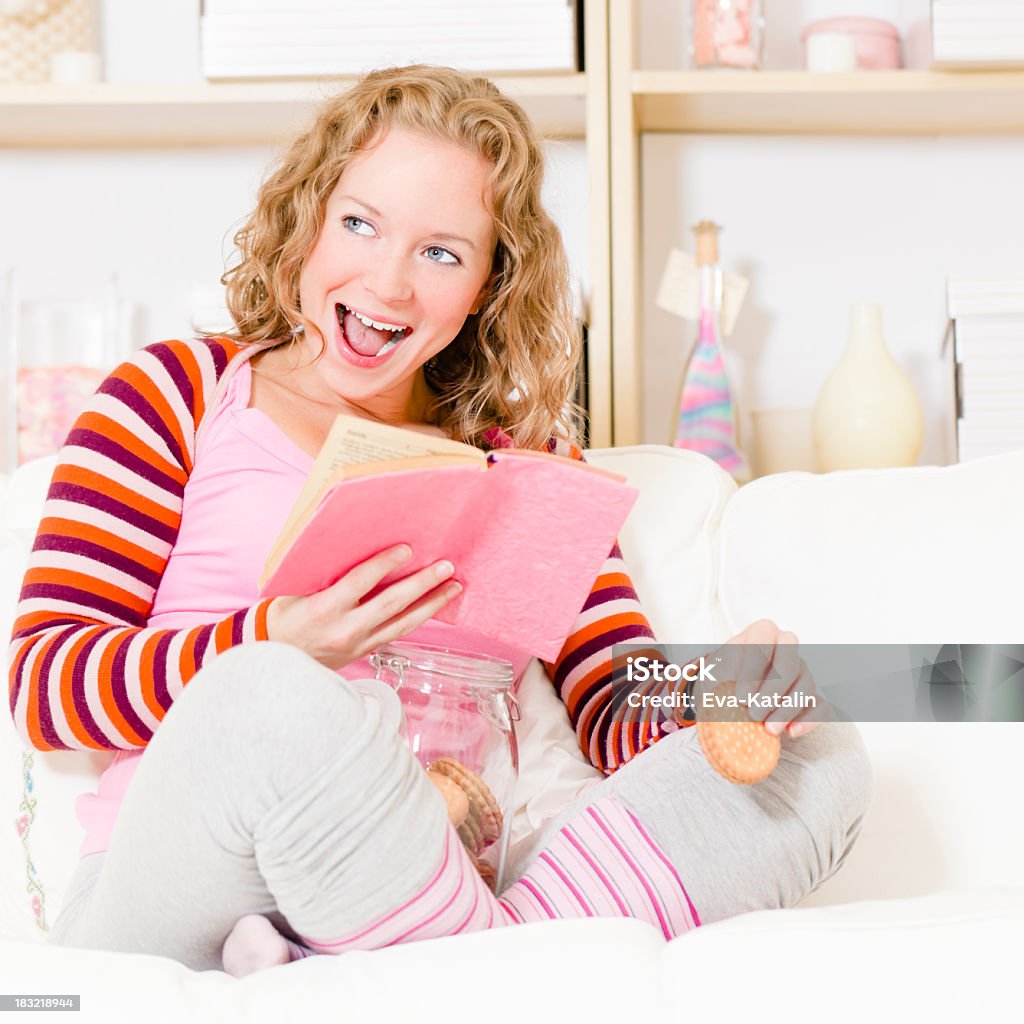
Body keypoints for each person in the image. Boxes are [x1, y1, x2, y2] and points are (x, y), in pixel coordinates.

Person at [7, 65, 871, 977]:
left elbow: (616, 707)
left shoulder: (526, 467)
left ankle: (393, 966)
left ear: (489, 284)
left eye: (441, 253)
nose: (387, 284)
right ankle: (487, 970)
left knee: (816, 758)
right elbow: (46, 686)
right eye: (360, 224)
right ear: (308, 216)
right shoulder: (179, 391)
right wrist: (278, 638)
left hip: (432, 871)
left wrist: (718, 695)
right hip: (188, 882)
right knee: (274, 696)